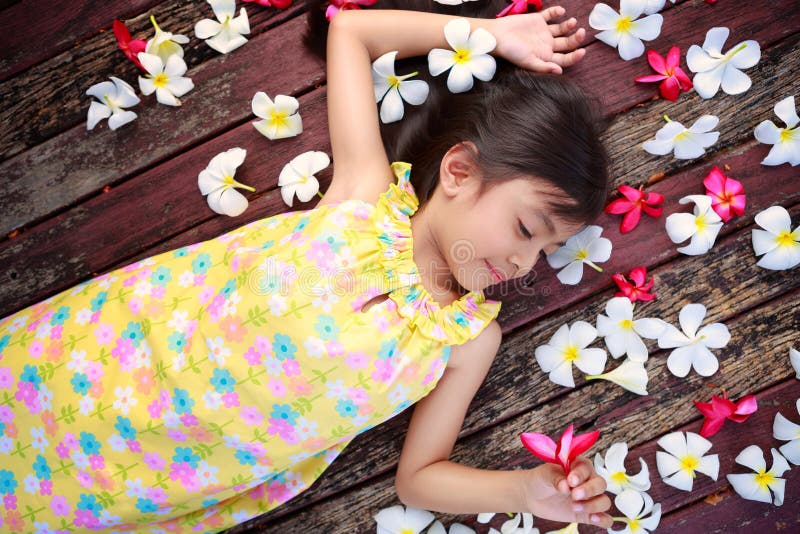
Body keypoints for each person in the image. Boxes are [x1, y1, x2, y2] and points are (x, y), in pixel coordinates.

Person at [0, 1, 613, 531]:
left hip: (157, 468)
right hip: (95, 356)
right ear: (459, 171)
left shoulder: (467, 340)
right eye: (526, 228)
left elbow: (420, 480)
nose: (521, 260)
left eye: (543, 250)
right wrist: (489, 37)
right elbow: (350, 32)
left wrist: (522, 493)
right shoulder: (363, 195)